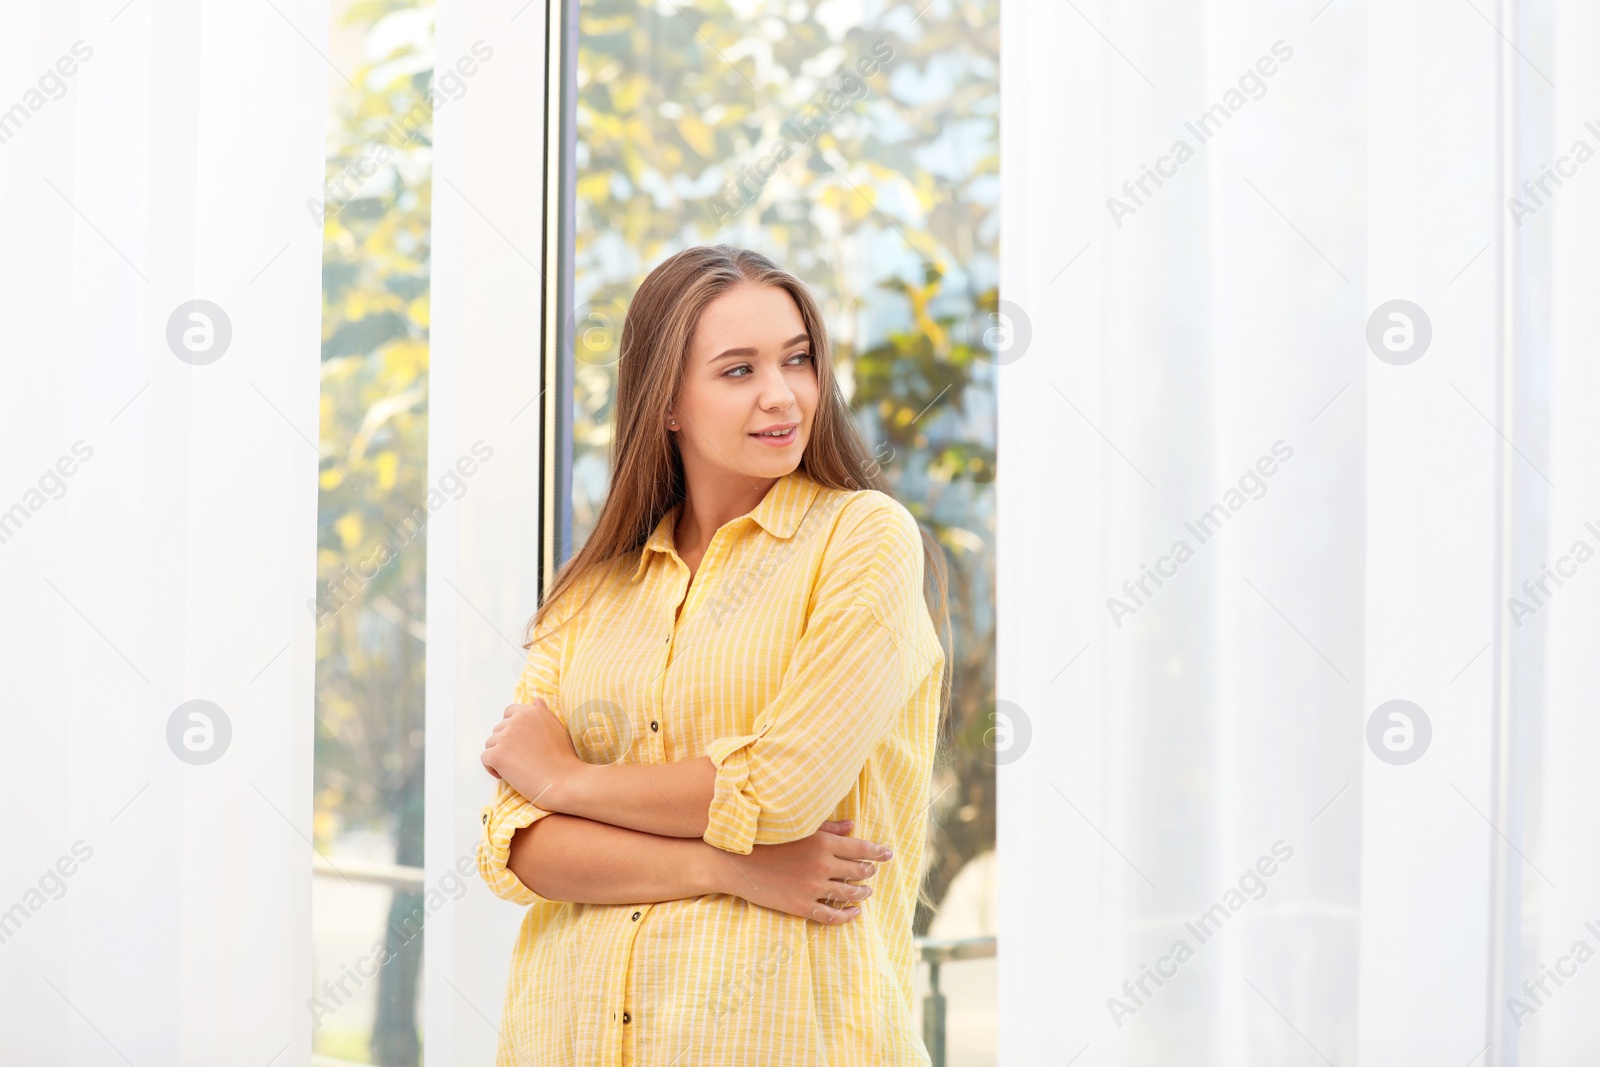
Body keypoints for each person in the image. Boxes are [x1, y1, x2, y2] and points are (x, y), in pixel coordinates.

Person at [478, 243, 951, 1066]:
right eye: (739, 370)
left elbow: (778, 790)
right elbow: (516, 848)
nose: (782, 395)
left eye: (797, 359)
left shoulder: (863, 539)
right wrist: (733, 868)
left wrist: (568, 781)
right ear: (667, 402)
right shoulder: (591, 591)